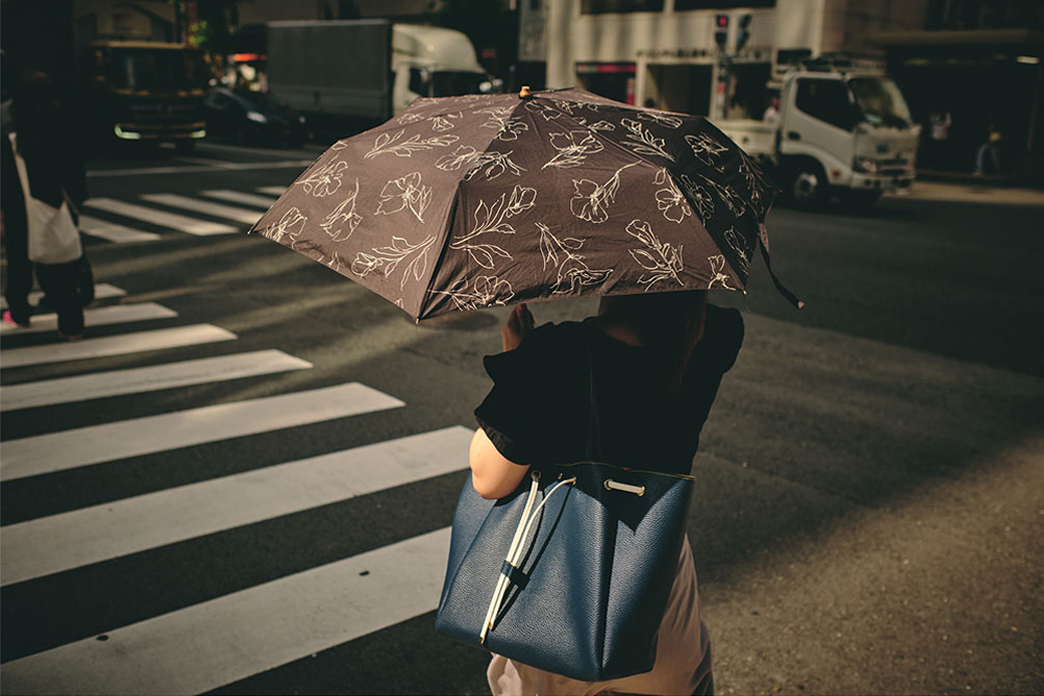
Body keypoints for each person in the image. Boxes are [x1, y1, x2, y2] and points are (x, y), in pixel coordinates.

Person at [470, 290, 745, 695]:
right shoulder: (710, 335)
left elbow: (489, 477)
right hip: (659, 589)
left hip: (562, 593)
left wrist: (521, 361)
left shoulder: (556, 352)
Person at [1, 71, 90, 339]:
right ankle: (70, 323)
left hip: (18, 204)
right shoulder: (61, 121)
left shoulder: (9, 127)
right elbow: (77, 163)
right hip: (57, 201)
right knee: (59, 261)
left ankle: (19, 312)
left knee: (19, 261)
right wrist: (78, 199)